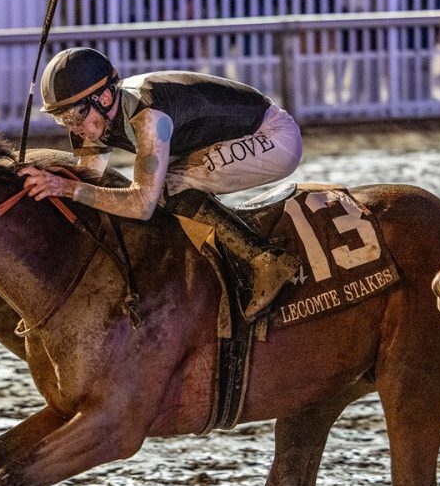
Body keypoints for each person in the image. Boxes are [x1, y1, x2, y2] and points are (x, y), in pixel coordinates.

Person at [20, 47, 302, 321]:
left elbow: (142, 204)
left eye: (74, 115)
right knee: (161, 185)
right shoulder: (94, 119)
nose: (73, 127)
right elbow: (90, 189)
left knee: (167, 186)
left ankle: (267, 260)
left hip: (273, 138)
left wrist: (65, 187)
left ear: (104, 97)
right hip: (222, 139)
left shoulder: (149, 117)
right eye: (61, 118)